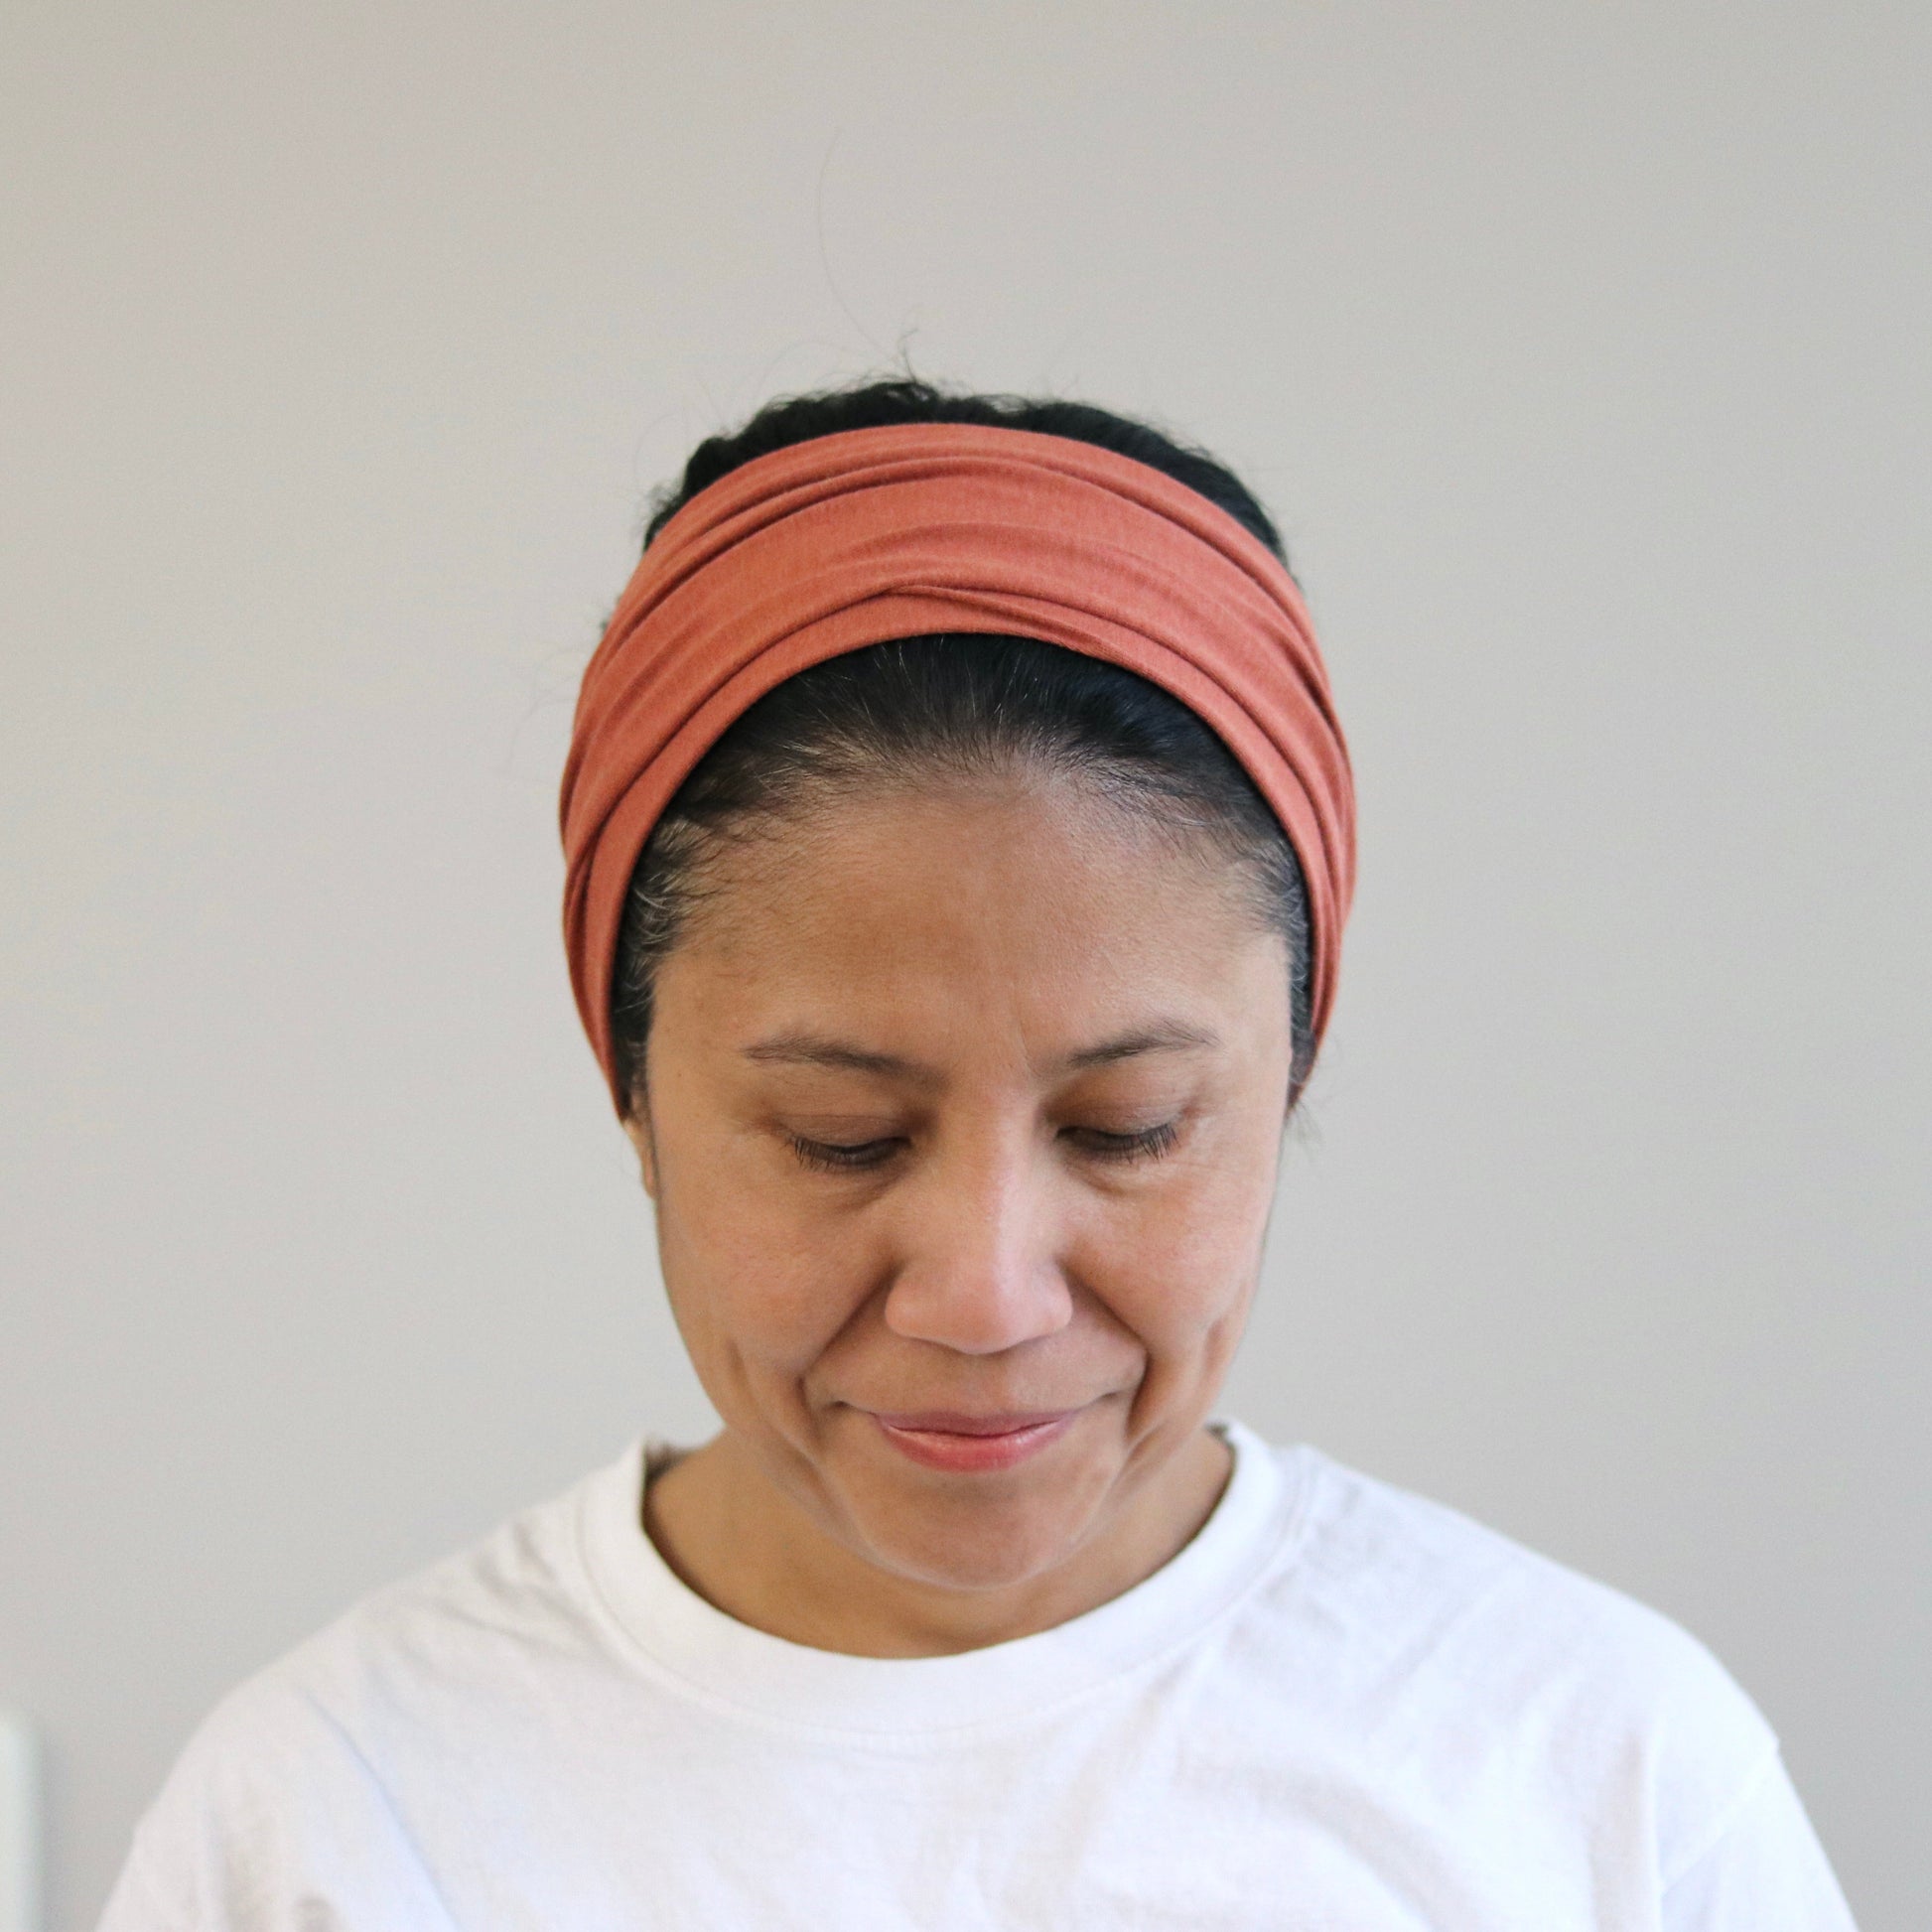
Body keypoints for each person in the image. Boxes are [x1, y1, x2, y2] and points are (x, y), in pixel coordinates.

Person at [99, 378, 1858, 1929]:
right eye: (839, 1136)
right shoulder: (332, 1817)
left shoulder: (1600, 1772)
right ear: (631, 1091)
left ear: (1290, 1072)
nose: (985, 1294)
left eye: (1129, 1128)